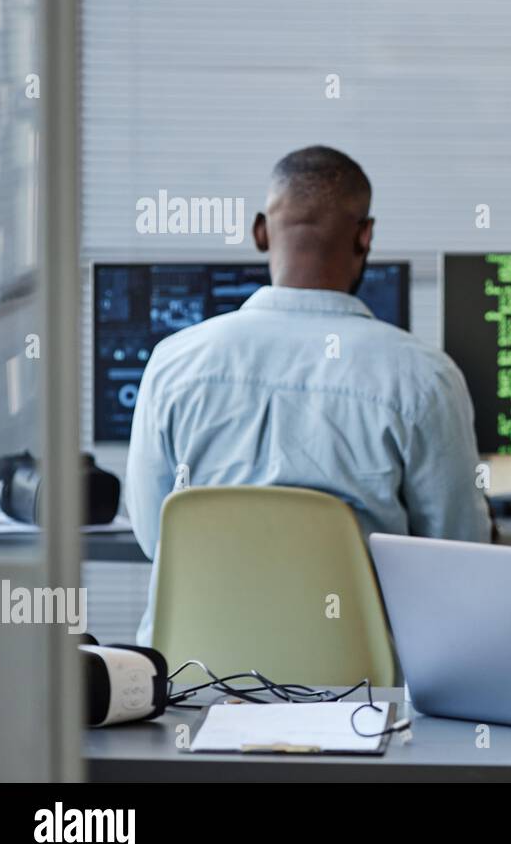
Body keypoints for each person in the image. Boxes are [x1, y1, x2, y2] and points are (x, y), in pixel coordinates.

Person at [126, 145, 490, 644]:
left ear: (259, 231)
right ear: (366, 236)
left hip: (195, 683)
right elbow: (458, 554)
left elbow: (156, 537)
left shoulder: (172, 362)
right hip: (363, 692)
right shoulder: (424, 378)